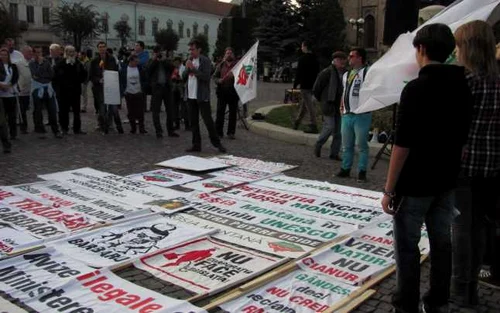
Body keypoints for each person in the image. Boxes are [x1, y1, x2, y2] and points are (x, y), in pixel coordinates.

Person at [381, 24, 473, 313]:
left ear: (421, 49)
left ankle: (405, 304)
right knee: (442, 243)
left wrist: (389, 188)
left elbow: (402, 145)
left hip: (415, 183)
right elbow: (463, 138)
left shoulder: (416, 88)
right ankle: (437, 301)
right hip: (446, 180)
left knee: (407, 247)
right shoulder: (464, 85)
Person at [451, 20, 500, 306]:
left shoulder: (466, 82)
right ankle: (472, 288)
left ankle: (461, 292)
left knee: (461, 228)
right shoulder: (496, 81)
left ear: (467, 48)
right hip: (492, 167)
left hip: (465, 168)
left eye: (458, 46)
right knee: (481, 227)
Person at [183, 39, 226, 153]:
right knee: (193, 122)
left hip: (202, 96)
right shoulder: (189, 60)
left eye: (193, 49)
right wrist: (187, 69)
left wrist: (193, 69)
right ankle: (196, 144)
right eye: (190, 49)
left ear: (199, 49)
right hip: (191, 96)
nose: (191, 52)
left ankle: (217, 144)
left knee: (208, 121)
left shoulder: (205, 61)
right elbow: (183, 77)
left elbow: (206, 77)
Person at [336, 47, 371, 182]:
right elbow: (345, 91)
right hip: (347, 114)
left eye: (352, 56)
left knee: (361, 145)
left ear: (359, 58)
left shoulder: (367, 72)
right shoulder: (346, 74)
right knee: (346, 144)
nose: (349, 58)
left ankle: (362, 171)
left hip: (361, 114)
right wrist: (341, 105)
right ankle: (345, 168)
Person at [313, 51, 346, 160]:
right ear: (335, 60)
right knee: (329, 127)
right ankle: (318, 143)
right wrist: (323, 100)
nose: (343, 62)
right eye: (340, 60)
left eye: (343, 60)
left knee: (338, 132)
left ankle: (334, 153)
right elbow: (317, 88)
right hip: (329, 104)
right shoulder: (327, 72)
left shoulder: (346, 73)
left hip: (340, 105)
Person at [89, 41, 123, 134]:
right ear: (98, 48)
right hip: (99, 88)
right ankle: (104, 128)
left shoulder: (112, 59)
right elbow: (91, 75)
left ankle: (119, 127)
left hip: (111, 87)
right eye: (100, 47)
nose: (102, 48)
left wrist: (111, 78)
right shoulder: (94, 61)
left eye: (103, 47)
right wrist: (98, 80)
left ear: (106, 48)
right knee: (102, 109)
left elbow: (116, 72)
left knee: (114, 108)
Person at [29, 46, 62, 138]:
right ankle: (39, 128)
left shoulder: (46, 62)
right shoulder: (31, 63)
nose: (38, 55)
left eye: (40, 52)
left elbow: (51, 75)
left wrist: (42, 75)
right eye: (37, 53)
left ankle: (55, 129)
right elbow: (34, 75)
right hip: (37, 88)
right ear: (33, 53)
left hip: (48, 87)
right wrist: (39, 66)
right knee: (38, 109)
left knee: (52, 109)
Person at [54, 45, 87, 135]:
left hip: (75, 91)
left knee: (76, 111)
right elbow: (57, 76)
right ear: (66, 52)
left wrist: (80, 79)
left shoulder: (78, 63)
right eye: (69, 52)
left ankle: (77, 128)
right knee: (64, 111)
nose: (71, 54)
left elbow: (84, 75)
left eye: (73, 52)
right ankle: (64, 128)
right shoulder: (61, 63)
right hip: (64, 92)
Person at [148, 47, 178, 138]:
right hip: (157, 88)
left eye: (161, 52)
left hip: (167, 87)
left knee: (170, 110)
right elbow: (148, 71)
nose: (159, 54)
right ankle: (158, 131)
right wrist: (155, 60)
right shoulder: (152, 61)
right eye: (158, 53)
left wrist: (164, 60)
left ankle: (170, 130)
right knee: (155, 111)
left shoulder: (166, 61)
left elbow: (172, 68)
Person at [293, 40, 320, 134]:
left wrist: (295, 84)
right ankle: (297, 122)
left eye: (302, 46)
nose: (301, 48)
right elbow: (317, 72)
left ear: (305, 47)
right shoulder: (315, 58)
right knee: (304, 105)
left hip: (305, 85)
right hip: (313, 84)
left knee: (309, 106)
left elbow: (299, 73)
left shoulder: (302, 59)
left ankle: (314, 125)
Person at [214, 47, 239, 140]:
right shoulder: (220, 65)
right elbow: (214, 77)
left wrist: (235, 76)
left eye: (230, 53)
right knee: (220, 112)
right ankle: (218, 132)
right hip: (222, 92)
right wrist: (218, 80)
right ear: (225, 55)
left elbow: (242, 77)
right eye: (227, 53)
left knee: (233, 113)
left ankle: (231, 132)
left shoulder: (237, 66)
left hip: (233, 92)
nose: (229, 54)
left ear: (233, 55)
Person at [120, 55, 147, 134]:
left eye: (137, 61)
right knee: (131, 111)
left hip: (138, 92)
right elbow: (122, 80)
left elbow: (144, 79)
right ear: (131, 61)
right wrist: (123, 90)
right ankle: (133, 128)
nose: (137, 63)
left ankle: (142, 128)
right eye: (135, 61)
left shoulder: (140, 68)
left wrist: (143, 88)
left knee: (140, 111)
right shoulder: (125, 69)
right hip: (129, 93)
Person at [0, 47, 19, 140]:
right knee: (2, 116)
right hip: (1, 94)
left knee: (12, 115)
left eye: (5, 55)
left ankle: (13, 133)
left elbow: (16, 77)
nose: (3, 56)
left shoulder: (13, 66)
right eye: (2, 54)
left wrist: (10, 84)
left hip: (11, 93)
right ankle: (3, 134)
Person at [17, 46, 33, 134]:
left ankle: (37, 125)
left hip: (32, 89)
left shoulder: (34, 62)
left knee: (34, 109)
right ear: (23, 53)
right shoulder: (18, 63)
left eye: (31, 52)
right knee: (22, 110)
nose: (30, 54)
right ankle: (23, 127)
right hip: (22, 91)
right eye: (28, 52)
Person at [171, 56, 188, 130]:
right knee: (175, 107)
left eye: (176, 63)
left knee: (184, 107)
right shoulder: (174, 68)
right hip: (175, 89)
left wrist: (177, 77)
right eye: (174, 63)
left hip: (182, 89)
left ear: (180, 62)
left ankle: (187, 125)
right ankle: (177, 124)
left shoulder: (183, 68)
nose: (175, 64)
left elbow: (184, 78)